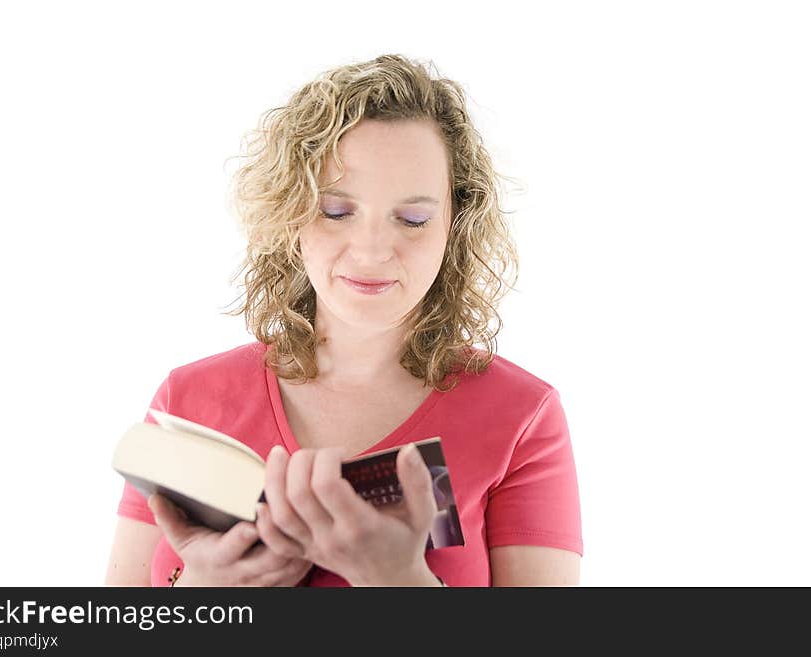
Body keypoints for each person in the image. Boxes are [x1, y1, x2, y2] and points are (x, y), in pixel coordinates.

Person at [104, 54, 583, 587]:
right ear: (291, 212)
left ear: (455, 224)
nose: (373, 250)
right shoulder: (188, 398)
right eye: (336, 212)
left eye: (413, 219)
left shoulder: (522, 416)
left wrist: (400, 581)